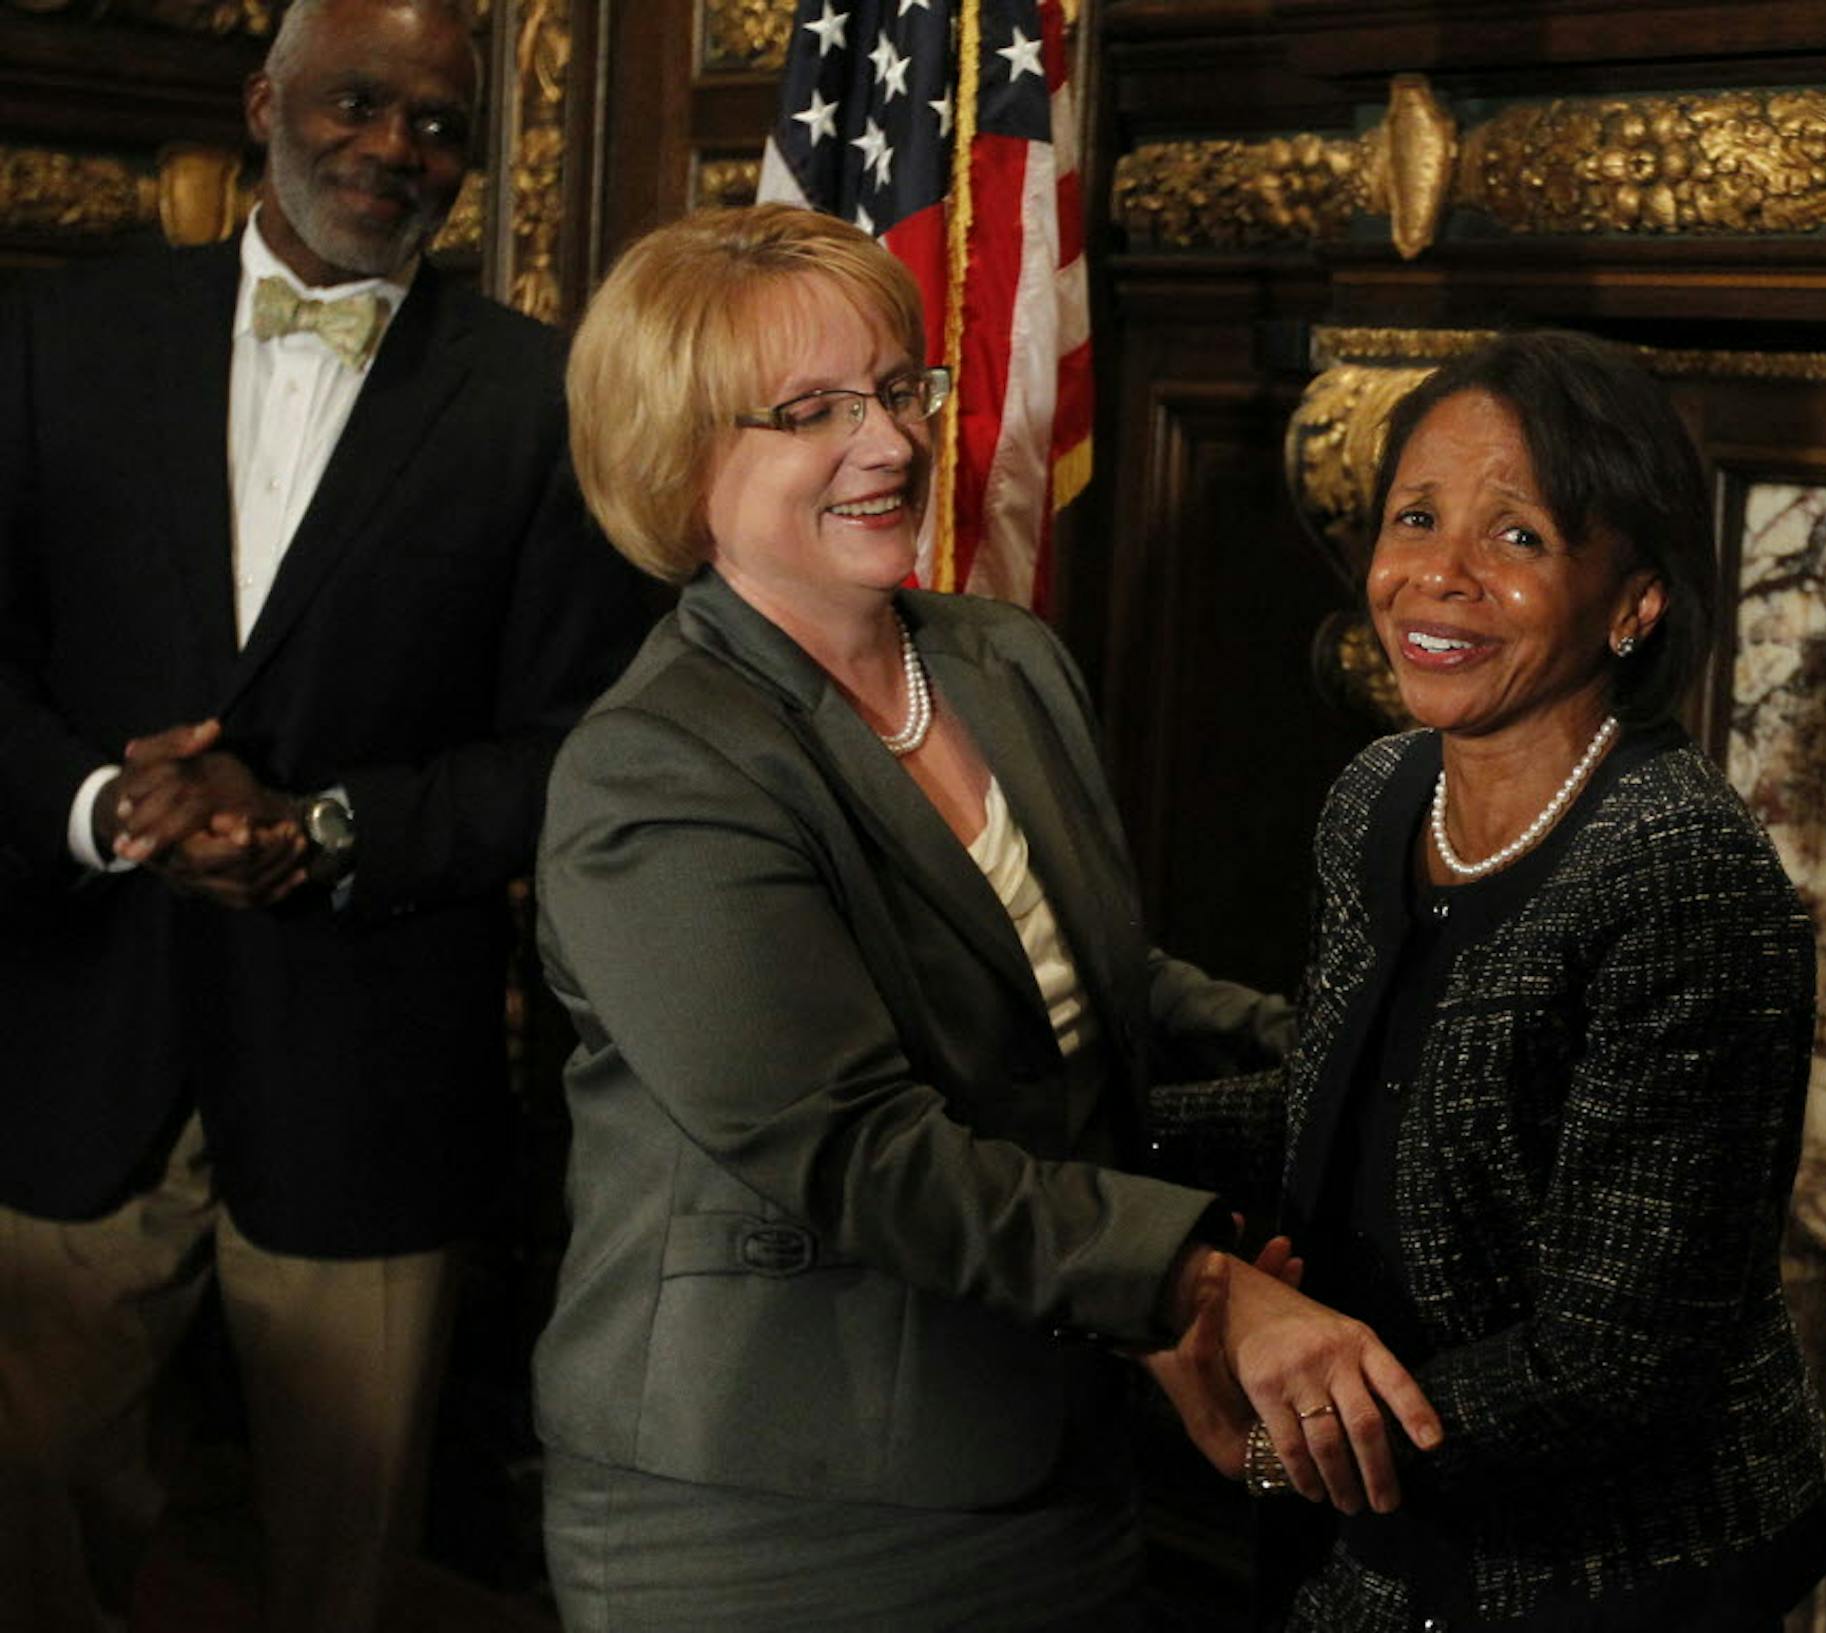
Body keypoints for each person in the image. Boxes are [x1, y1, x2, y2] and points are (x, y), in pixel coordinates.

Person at [530, 202, 1442, 1632]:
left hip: (1051, 1435)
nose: (890, 443)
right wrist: (1198, 1283)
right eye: (813, 411)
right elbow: (858, 1147)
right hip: (773, 1499)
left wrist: (1371, 1064)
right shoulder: (657, 768)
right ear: (678, 454)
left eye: (899, 388)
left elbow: (1100, 986)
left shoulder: (1003, 659)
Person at [0, 2, 649, 1628]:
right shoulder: (61, 339)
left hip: (370, 1080)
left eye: (437, 125)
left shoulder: (538, 397)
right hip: (82, 1054)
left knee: (339, 1577)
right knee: (32, 1536)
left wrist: (331, 830)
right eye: (357, 103)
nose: (394, 149)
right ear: (263, 104)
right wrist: (101, 804)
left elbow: (572, 748)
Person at [1151, 331, 1826, 1631]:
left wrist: (1279, 1445)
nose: (1438, 574)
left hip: (1613, 1571)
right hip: (1386, 1529)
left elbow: (1619, 1357)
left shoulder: (1682, 877)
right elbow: (1339, 1107)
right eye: (1415, 517)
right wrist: (1087, 1166)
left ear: (1634, 602)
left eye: (1517, 536)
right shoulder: (1380, 794)